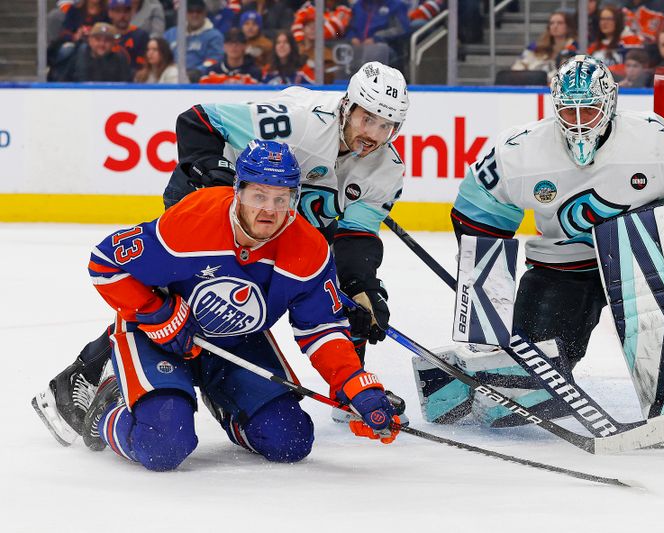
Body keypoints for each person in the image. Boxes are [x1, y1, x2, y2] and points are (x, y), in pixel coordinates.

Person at [33, 61, 410, 445]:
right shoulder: (299, 123)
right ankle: (93, 371)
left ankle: (332, 394)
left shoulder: (386, 169)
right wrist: (216, 185)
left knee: (337, 305)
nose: (374, 135)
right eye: (368, 119)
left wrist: (360, 285)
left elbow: (354, 234)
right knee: (183, 293)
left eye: (387, 126)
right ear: (348, 106)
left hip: (281, 225)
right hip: (216, 207)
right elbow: (198, 121)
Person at [449, 55, 664, 441]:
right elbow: (476, 217)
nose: (580, 121)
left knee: (634, 235)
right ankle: (494, 378)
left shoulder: (651, 138)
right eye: (570, 111)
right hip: (564, 267)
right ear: (555, 105)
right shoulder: (518, 151)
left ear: (611, 102)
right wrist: (486, 303)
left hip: (641, 262)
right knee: (521, 398)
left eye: (590, 109)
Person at [80, 139, 401, 471]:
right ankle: (105, 409)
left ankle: (227, 403)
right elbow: (106, 262)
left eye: (281, 199)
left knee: (290, 441)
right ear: (238, 191)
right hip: (158, 337)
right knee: (163, 445)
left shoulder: (310, 250)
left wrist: (354, 384)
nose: (269, 210)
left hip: (237, 342)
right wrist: (156, 312)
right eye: (258, 196)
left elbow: (322, 329)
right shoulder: (192, 220)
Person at [163, 0, 224, 81]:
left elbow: (214, 59)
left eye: (198, 11)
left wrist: (199, 70)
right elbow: (162, 55)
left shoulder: (214, 36)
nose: (194, 15)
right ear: (185, 13)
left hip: (198, 79)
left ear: (205, 13)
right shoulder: (171, 33)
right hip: (170, 76)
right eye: (190, 11)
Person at [511, 9, 578, 81]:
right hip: (532, 85)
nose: (555, 26)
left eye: (560, 23)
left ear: (568, 27)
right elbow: (518, 66)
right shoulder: (535, 47)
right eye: (552, 23)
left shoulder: (575, 48)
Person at [57, 21, 132, 82]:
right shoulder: (77, 57)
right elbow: (63, 83)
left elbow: (127, 87)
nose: (102, 44)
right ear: (90, 40)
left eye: (107, 40)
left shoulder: (120, 60)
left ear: (113, 43)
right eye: (98, 39)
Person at [588, 4, 644, 76]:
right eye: (602, 19)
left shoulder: (630, 41)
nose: (604, 23)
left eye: (608, 19)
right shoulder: (594, 47)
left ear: (617, 21)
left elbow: (634, 68)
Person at [199, 27, 263, 84]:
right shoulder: (211, 72)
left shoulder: (254, 73)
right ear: (224, 46)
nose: (234, 47)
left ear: (245, 46)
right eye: (230, 43)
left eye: (238, 43)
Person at [107, 0, 149, 75]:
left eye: (126, 11)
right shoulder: (104, 36)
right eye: (118, 11)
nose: (122, 16)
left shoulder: (141, 35)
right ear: (110, 13)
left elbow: (144, 68)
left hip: (133, 83)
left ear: (132, 13)